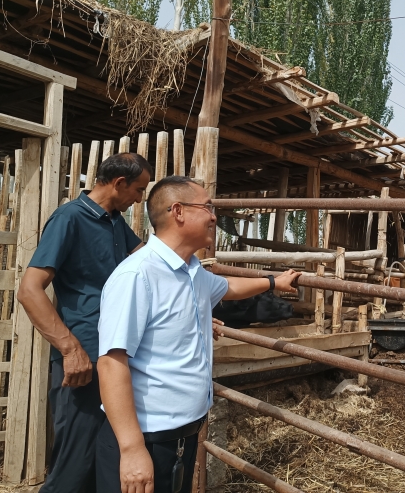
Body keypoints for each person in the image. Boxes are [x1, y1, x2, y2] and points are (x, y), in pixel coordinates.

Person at [96, 175, 300, 493]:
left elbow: (229, 286)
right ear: (178, 211)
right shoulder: (137, 276)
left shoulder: (192, 271)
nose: (214, 216)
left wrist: (274, 282)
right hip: (146, 438)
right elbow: (111, 364)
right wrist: (133, 449)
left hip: (182, 434)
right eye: (207, 207)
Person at [16, 152, 153, 493]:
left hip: (114, 353)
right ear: (119, 183)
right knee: (75, 463)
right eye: (139, 190)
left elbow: (149, 263)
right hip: (85, 357)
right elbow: (29, 290)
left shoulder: (113, 220)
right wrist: (69, 348)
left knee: (102, 459)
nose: (140, 199)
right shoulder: (69, 219)